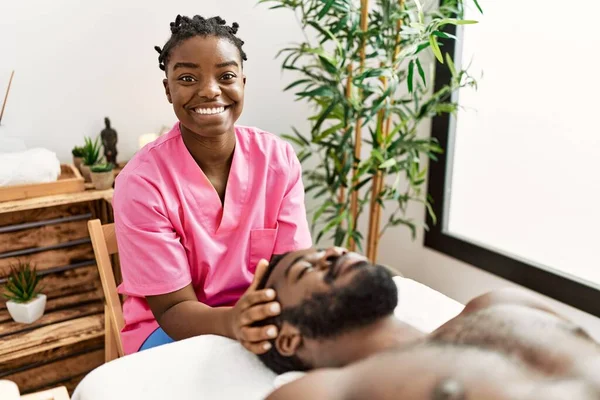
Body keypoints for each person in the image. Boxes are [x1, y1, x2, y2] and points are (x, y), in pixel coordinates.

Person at [112, 15, 312, 355]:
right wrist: (235, 322)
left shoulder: (277, 159)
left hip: (261, 316)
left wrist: (264, 317)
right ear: (168, 89)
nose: (209, 90)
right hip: (172, 330)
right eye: (187, 78)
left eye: (227, 76)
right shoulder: (142, 182)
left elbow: (293, 269)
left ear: (243, 83)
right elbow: (173, 310)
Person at [253, 247, 600, 399]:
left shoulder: (500, 303)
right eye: (305, 269)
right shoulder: (319, 392)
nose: (332, 254)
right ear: (288, 338)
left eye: (333, 249)